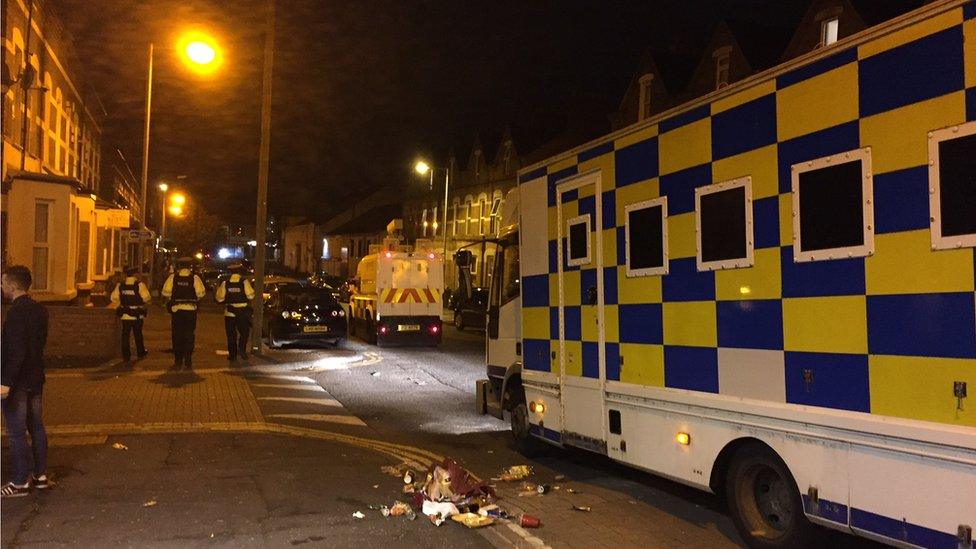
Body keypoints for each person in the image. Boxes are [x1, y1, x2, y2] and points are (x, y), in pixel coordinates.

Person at [0, 265, 50, 497]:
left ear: (12, 285)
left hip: (17, 381)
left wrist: (6, 381)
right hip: (35, 377)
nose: (1, 287)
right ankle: (40, 476)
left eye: (3, 282)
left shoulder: (16, 313)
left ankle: (20, 481)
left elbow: (15, 349)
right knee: (36, 427)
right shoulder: (40, 310)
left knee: (17, 432)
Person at [161, 257, 205, 370]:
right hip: (190, 310)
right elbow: (201, 294)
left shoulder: (173, 278)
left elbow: (165, 292)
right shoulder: (195, 278)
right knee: (189, 334)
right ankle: (188, 358)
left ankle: (178, 359)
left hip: (177, 310)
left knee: (177, 334)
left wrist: (173, 297)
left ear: (179, 266)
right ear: (190, 266)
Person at [214, 262, 255, 362]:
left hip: (230, 313)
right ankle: (242, 350)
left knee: (231, 335)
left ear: (230, 272)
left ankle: (232, 355)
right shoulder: (244, 282)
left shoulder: (225, 283)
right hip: (242, 313)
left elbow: (219, 299)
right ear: (240, 272)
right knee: (244, 333)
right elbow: (251, 296)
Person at [110, 266, 151, 363]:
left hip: (125, 314)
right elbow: (146, 298)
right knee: (138, 334)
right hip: (137, 314)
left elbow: (113, 298)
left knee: (125, 335)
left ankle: (126, 356)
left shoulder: (121, 285)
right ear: (135, 274)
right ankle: (140, 352)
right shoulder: (139, 285)